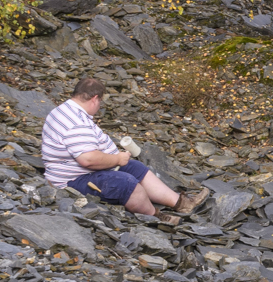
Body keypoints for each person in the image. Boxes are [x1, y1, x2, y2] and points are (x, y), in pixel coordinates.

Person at [39, 75, 204, 218]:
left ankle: (181, 203)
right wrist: (117, 158)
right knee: (127, 182)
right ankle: (156, 216)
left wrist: (116, 157)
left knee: (135, 167)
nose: (99, 106)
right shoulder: (76, 122)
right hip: (71, 181)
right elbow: (87, 160)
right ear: (95, 98)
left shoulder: (63, 110)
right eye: (100, 102)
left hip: (78, 171)